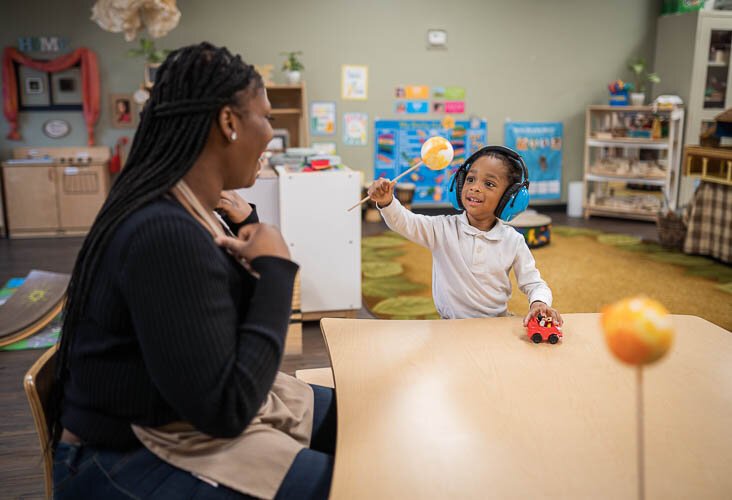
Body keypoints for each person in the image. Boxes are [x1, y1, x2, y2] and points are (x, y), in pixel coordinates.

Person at [51, 42, 335, 499]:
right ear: (228, 123)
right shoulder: (164, 232)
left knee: (361, 419)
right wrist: (278, 272)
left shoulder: (184, 207)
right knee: (355, 481)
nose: (271, 133)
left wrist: (252, 236)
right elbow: (227, 409)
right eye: (266, 118)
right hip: (122, 458)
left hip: (177, 413)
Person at [367, 145, 562, 326]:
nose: (475, 187)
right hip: (450, 326)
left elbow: (534, 283)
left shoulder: (513, 241)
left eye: (489, 183)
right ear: (459, 184)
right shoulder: (442, 229)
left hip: (495, 325)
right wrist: (387, 202)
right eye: (470, 179)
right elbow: (405, 222)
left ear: (509, 198)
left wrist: (539, 302)